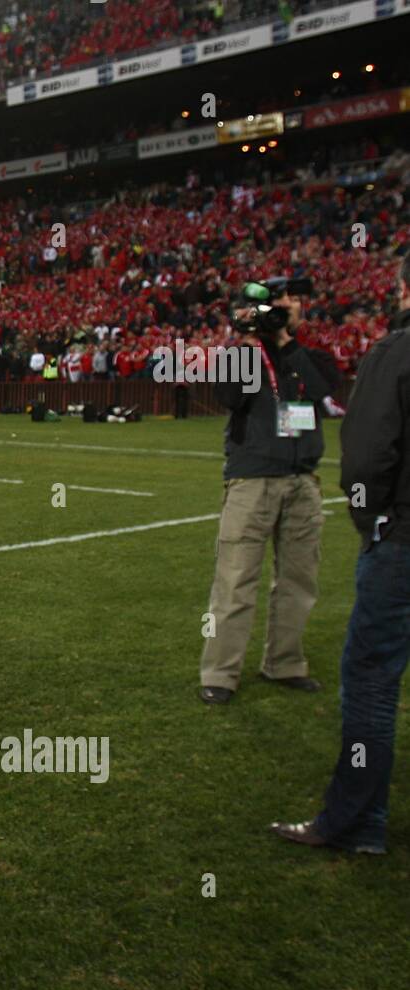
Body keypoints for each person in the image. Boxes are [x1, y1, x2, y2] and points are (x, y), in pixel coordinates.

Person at [272, 254, 410, 855]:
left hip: (402, 538)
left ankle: (357, 821)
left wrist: (371, 517)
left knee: (374, 680)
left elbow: (364, 454)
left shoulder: (395, 351)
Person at [199, 278, 337, 705]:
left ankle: (286, 662)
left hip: (303, 480)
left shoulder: (308, 356)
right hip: (252, 479)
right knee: (236, 578)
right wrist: (247, 342)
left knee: (299, 580)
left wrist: (284, 340)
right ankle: (220, 673)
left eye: (286, 303)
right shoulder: (241, 355)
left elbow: (323, 389)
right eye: (272, 305)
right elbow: (227, 395)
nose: (279, 310)